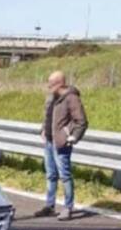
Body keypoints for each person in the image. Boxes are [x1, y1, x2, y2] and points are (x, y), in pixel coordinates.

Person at [34, 71, 89, 221]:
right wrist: (43, 130)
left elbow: (82, 121)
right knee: (51, 175)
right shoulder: (52, 98)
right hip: (49, 142)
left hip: (61, 143)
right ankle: (49, 206)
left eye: (50, 83)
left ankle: (67, 208)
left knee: (65, 176)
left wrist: (73, 137)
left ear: (59, 83)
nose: (48, 86)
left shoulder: (71, 98)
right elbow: (48, 116)